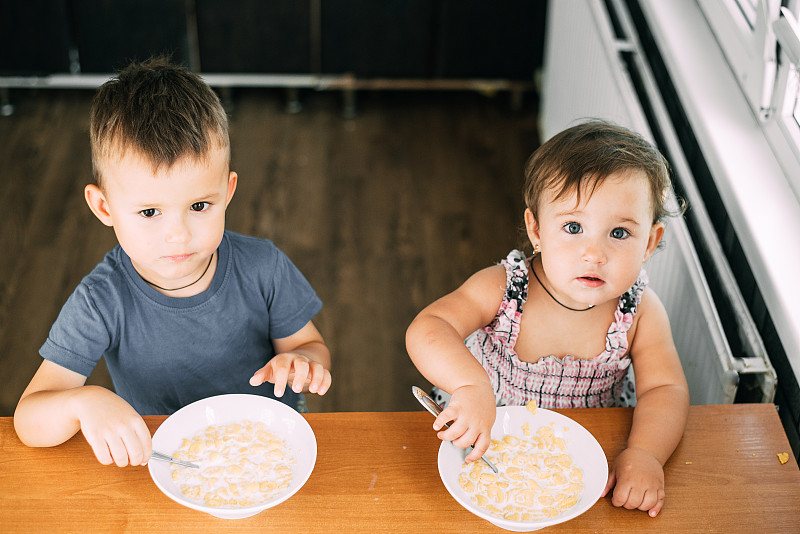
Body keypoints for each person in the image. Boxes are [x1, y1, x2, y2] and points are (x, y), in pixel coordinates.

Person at [14, 57, 331, 468]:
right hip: (168, 462)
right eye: (149, 212)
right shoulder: (100, 300)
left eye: (199, 205)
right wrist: (82, 400)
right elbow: (28, 420)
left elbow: (311, 347)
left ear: (228, 190)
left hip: (271, 450)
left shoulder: (263, 266)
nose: (178, 234)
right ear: (104, 206)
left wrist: (305, 363)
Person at [406, 120, 689, 517]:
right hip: (485, 438)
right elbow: (429, 327)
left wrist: (645, 453)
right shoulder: (505, 288)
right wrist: (469, 385)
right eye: (574, 227)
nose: (594, 253)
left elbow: (665, 389)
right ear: (536, 230)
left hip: (582, 459)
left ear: (650, 243)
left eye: (619, 233)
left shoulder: (639, 311)